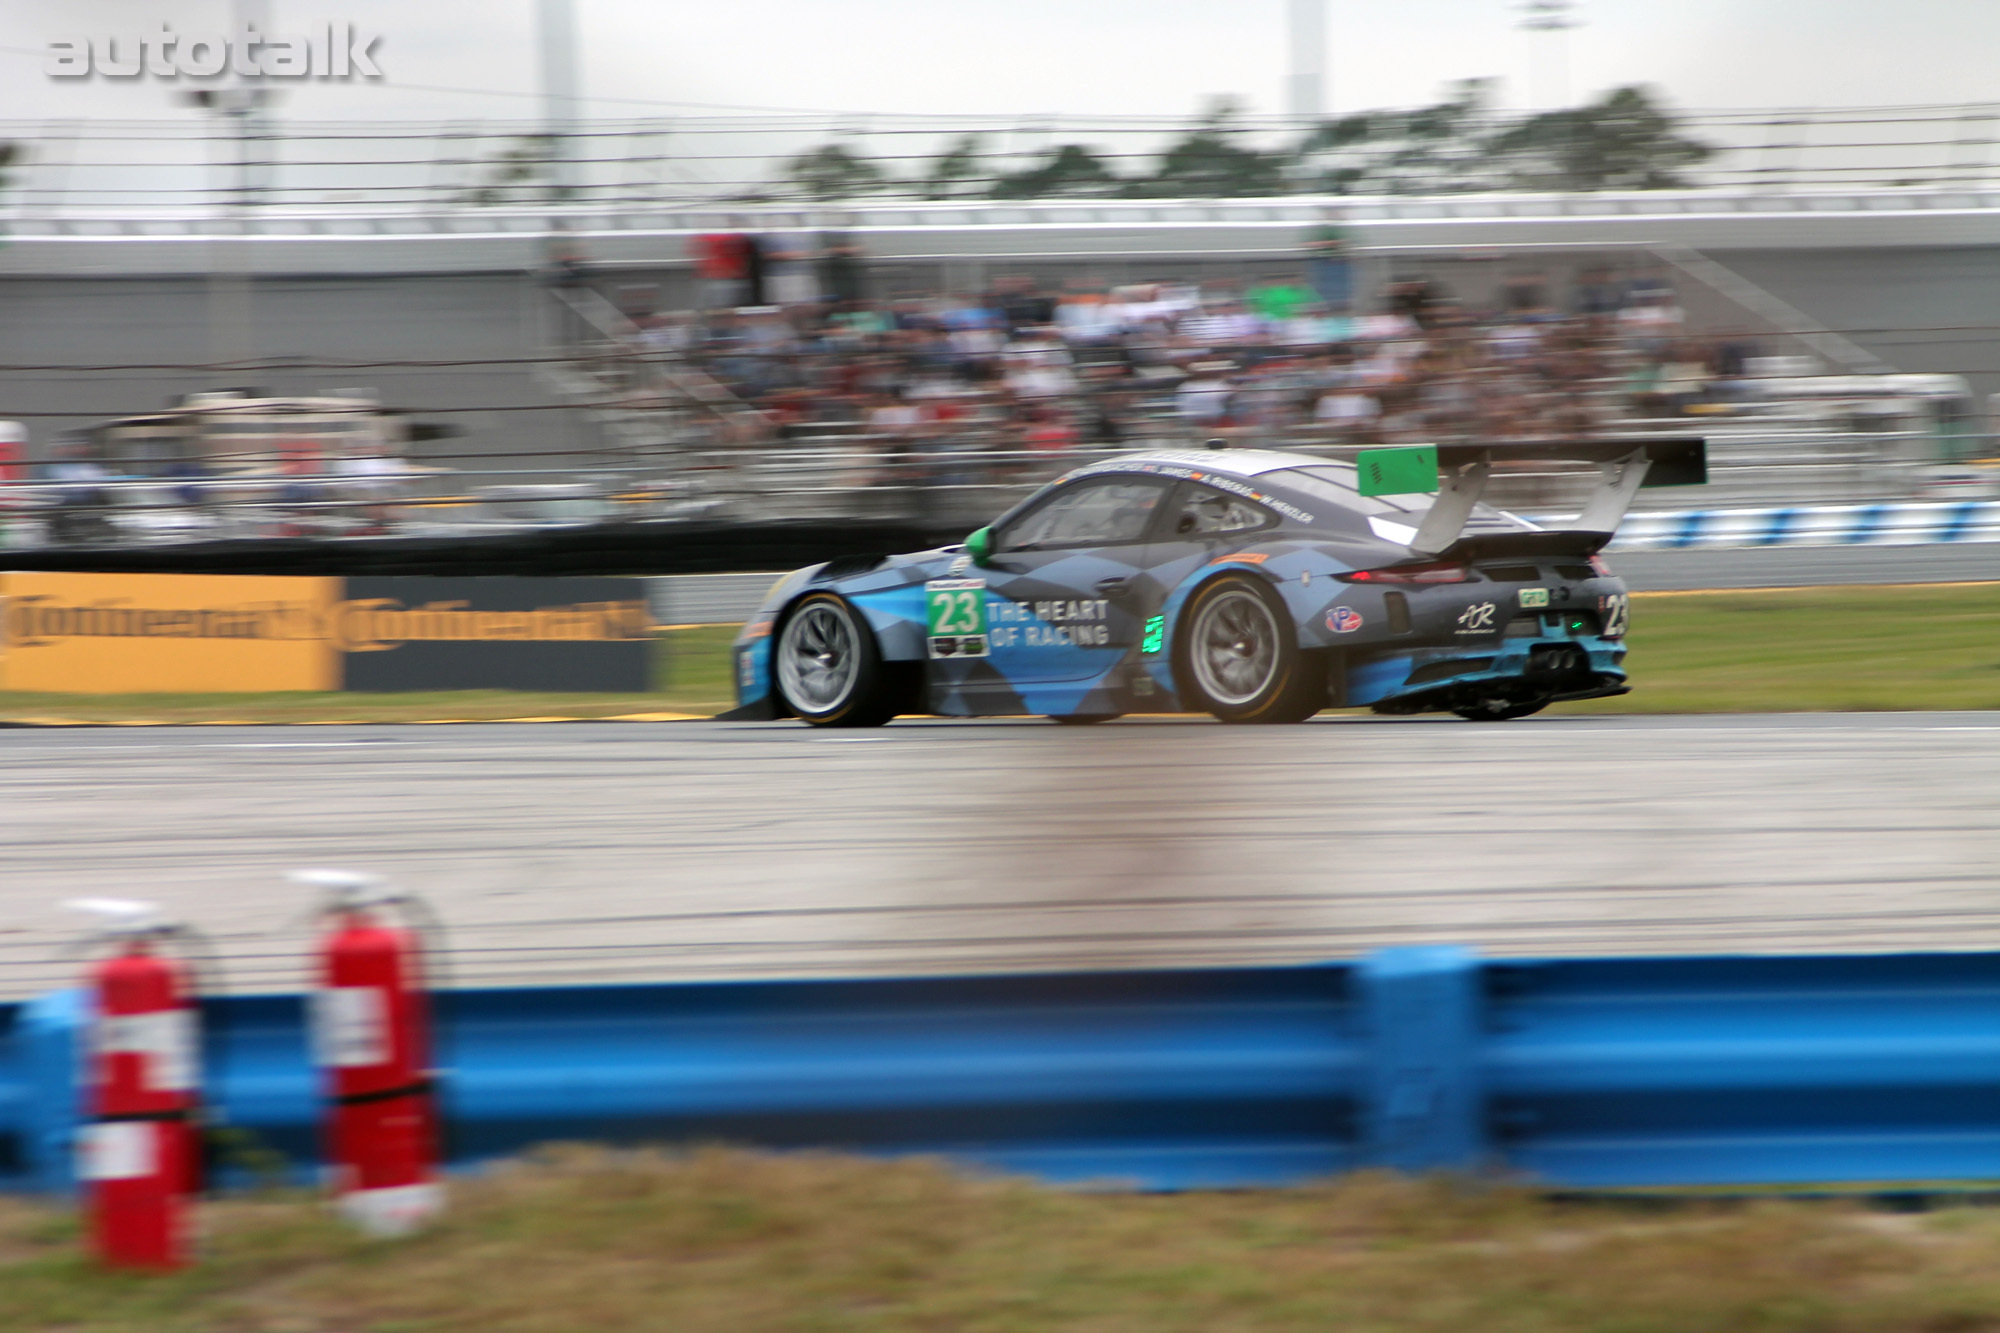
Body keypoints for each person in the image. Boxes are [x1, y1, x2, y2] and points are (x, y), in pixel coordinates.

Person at [1301, 207, 1356, 313]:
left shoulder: (1344, 228)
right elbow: (1306, 244)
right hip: (1322, 264)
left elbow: (1351, 243)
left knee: (1341, 296)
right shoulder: (1318, 229)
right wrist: (1331, 243)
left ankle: (1340, 308)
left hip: (1341, 265)